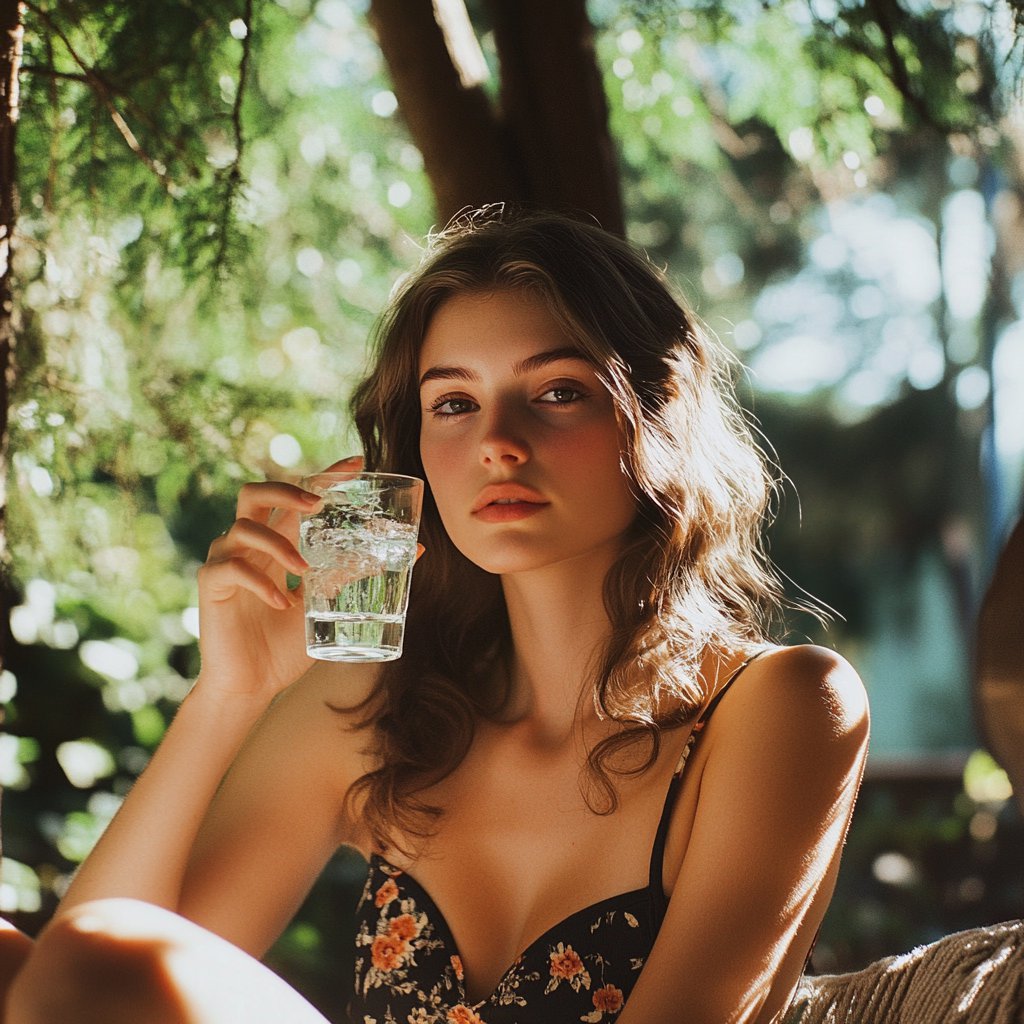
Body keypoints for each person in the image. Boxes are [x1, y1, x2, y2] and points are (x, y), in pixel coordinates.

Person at [2, 209, 869, 1024]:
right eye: (454, 403)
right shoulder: (381, 707)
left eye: (557, 391)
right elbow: (82, 981)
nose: (497, 442)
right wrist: (229, 694)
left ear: (657, 412)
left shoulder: (784, 703)